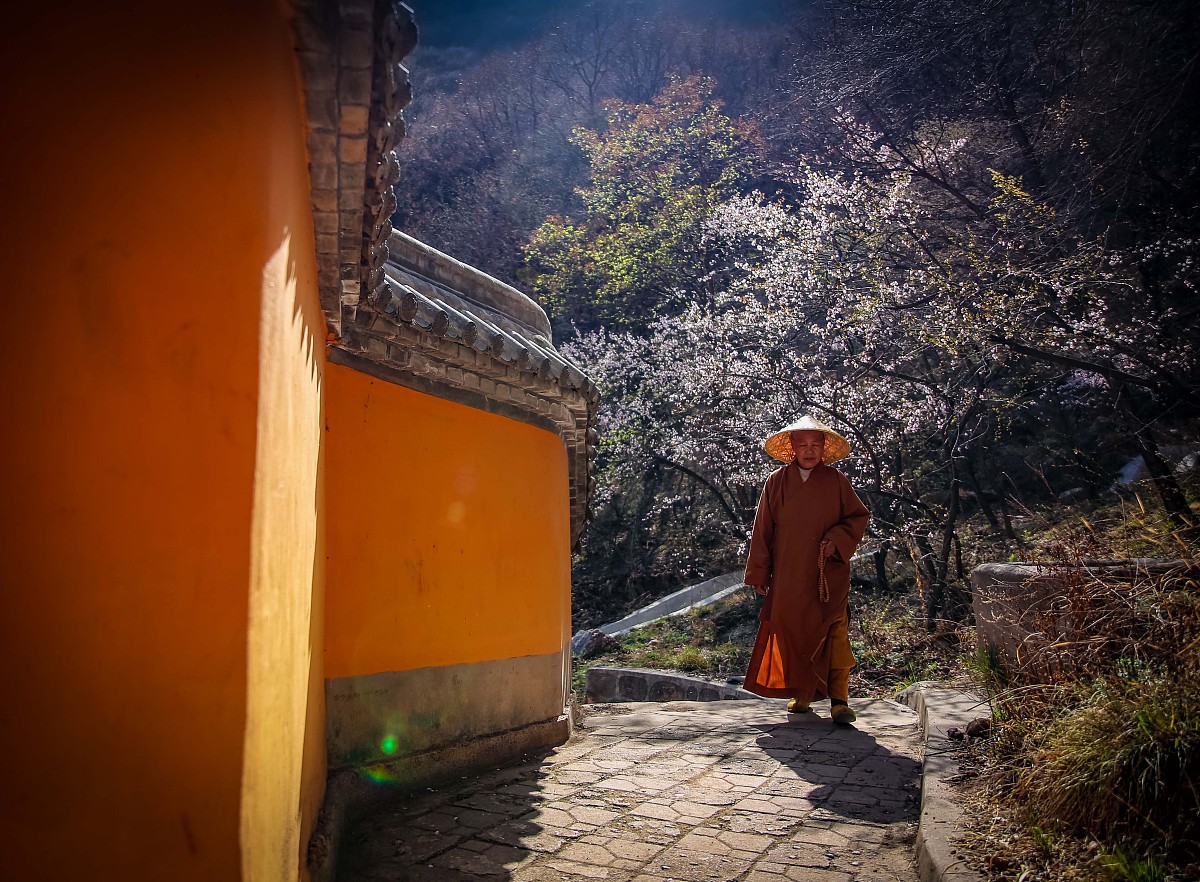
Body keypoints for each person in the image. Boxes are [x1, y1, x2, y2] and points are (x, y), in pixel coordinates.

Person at [742, 416, 870, 724]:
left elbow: (857, 517)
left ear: (824, 448)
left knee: (833, 630)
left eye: (815, 445)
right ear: (792, 448)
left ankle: (840, 700)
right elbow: (763, 531)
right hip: (787, 573)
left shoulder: (836, 480)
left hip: (827, 572)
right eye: (803, 445)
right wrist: (760, 572)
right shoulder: (776, 482)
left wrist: (836, 540)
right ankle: (802, 692)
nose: (810, 451)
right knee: (791, 632)